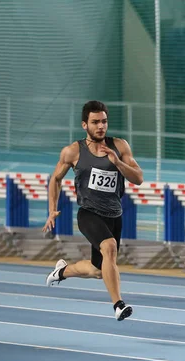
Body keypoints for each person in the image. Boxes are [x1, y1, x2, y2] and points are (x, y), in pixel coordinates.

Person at [43, 100, 144, 321]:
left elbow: (138, 178)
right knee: (109, 248)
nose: (101, 126)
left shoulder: (119, 146)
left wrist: (117, 162)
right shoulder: (73, 151)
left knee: (98, 270)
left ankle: (61, 271)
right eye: (95, 122)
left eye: (104, 122)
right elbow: (56, 179)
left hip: (114, 215)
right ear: (84, 125)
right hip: (89, 213)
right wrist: (52, 209)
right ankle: (118, 305)